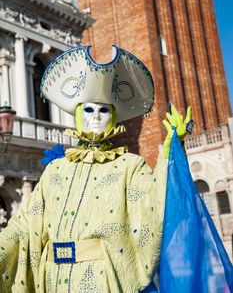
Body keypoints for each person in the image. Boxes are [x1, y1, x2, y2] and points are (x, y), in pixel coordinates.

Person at [1, 45, 229, 293]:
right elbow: (23, 226)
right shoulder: (55, 170)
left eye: (103, 110)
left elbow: (157, 206)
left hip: (101, 282)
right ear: (77, 114)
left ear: (113, 117)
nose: (96, 117)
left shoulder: (130, 166)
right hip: (52, 281)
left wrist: (170, 150)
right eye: (88, 109)